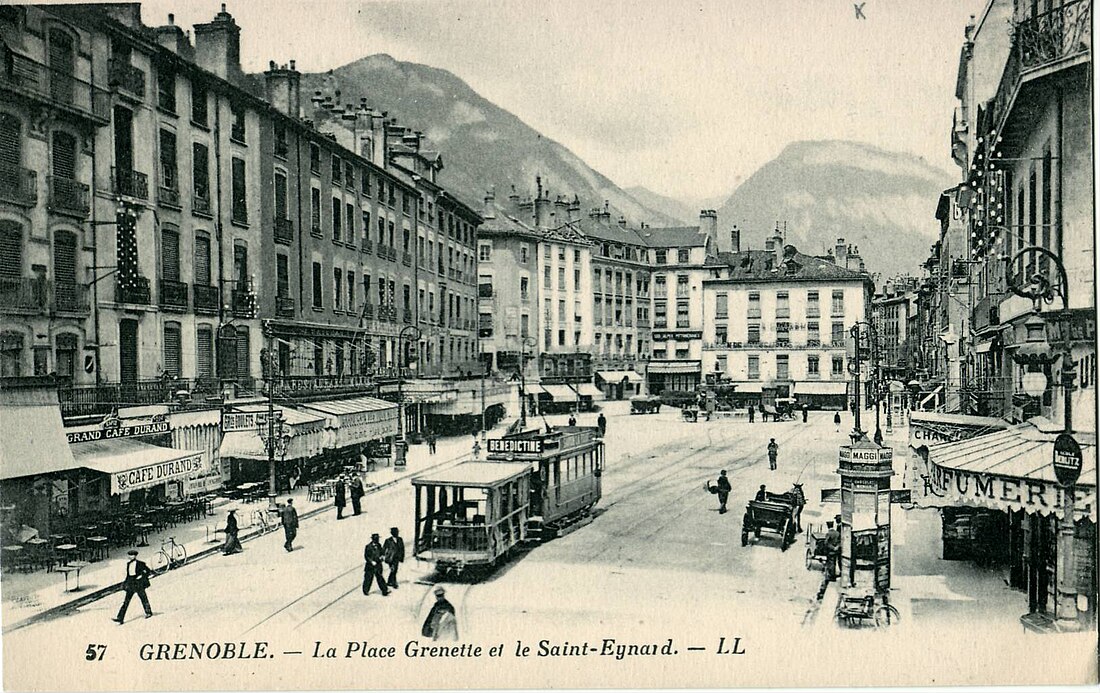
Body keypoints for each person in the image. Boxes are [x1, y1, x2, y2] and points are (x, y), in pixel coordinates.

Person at [113, 549, 153, 624]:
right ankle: (120, 618)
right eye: (129, 555)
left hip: (138, 583)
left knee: (143, 598)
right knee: (126, 601)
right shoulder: (128, 564)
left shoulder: (141, 563)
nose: (130, 557)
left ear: (135, 556)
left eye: (132, 555)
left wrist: (141, 577)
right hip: (131, 583)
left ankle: (148, 612)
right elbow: (128, 575)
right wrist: (125, 583)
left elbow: (148, 571)